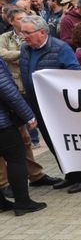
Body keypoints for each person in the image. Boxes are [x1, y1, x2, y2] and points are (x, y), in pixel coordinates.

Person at [19, 15, 81, 193]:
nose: (24, 36)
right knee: (53, 143)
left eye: (27, 33)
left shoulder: (61, 48)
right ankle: (69, 174)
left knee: (67, 141)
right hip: (37, 105)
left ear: (42, 32)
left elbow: (74, 73)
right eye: (22, 33)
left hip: (58, 107)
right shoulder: (26, 49)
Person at [0, 7, 62, 193]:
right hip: (13, 98)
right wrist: (29, 115)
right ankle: (4, 183)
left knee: (23, 141)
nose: (22, 22)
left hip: (20, 95)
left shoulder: (31, 44)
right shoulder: (8, 40)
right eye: (19, 19)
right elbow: (4, 57)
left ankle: (35, 175)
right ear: (12, 21)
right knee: (11, 145)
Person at [0, 55, 45, 215]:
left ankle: (1, 202)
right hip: (2, 124)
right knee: (16, 158)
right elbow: (8, 92)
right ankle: (22, 202)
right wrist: (28, 115)